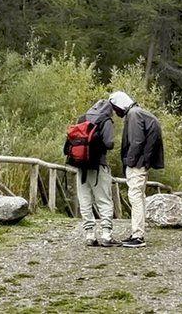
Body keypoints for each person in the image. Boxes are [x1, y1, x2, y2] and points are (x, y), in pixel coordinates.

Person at [108, 91, 164, 248]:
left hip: (137, 165)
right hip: (143, 163)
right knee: (139, 196)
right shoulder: (140, 112)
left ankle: (138, 236)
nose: (115, 112)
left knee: (135, 197)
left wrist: (130, 162)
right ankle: (137, 233)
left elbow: (136, 141)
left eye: (115, 108)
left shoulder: (133, 115)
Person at [71, 99, 120, 247]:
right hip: (99, 165)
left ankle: (89, 234)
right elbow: (109, 144)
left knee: (85, 199)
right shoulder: (106, 121)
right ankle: (106, 234)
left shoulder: (82, 118)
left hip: (81, 166)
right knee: (104, 199)